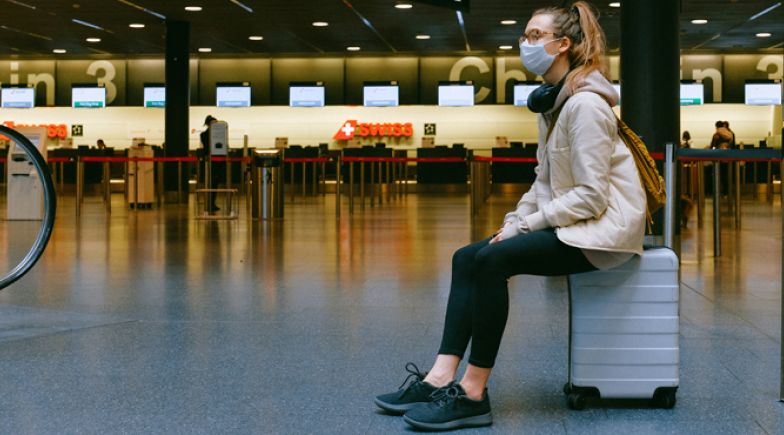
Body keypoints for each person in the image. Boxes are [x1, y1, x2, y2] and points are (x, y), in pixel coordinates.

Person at [374, 2, 646, 431]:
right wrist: (513, 222)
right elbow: (544, 181)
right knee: (467, 256)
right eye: (525, 35)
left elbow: (592, 197)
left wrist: (526, 227)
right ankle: (439, 376)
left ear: (563, 45)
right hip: (573, 224)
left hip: (601, 235)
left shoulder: (586, 107)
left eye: (535, 36)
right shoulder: (555, 105)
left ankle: (472, 393)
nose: (525, 43)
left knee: (492, 260)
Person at [200, 115, 222, 211]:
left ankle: (211, 203)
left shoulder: (204, 135)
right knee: (213, 183)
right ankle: (210, 203)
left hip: (211, 161)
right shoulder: (210, 135)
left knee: (212, 183)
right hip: (213, 161)